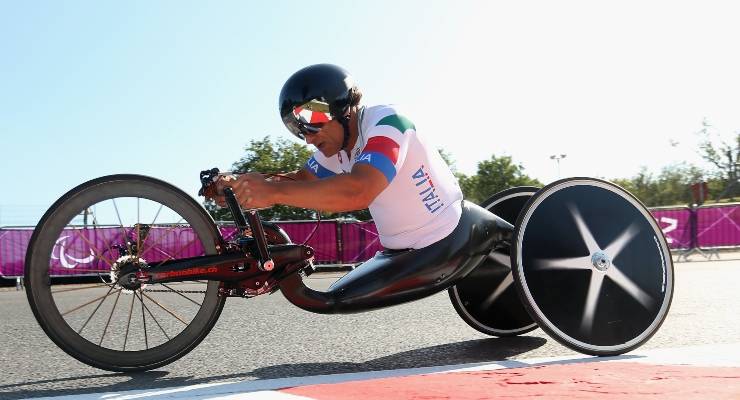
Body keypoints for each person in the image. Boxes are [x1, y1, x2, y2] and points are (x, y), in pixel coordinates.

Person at [210, 63, 463, 250]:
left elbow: (359, 190)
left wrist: (273, 192)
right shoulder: (338, 143)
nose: (307, 137)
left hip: (445, 236)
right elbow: (302, 180)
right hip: (397, 250)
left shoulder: (389, 121)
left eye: (310, 121)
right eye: (297, 128)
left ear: (341, 107)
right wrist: (242, 187)